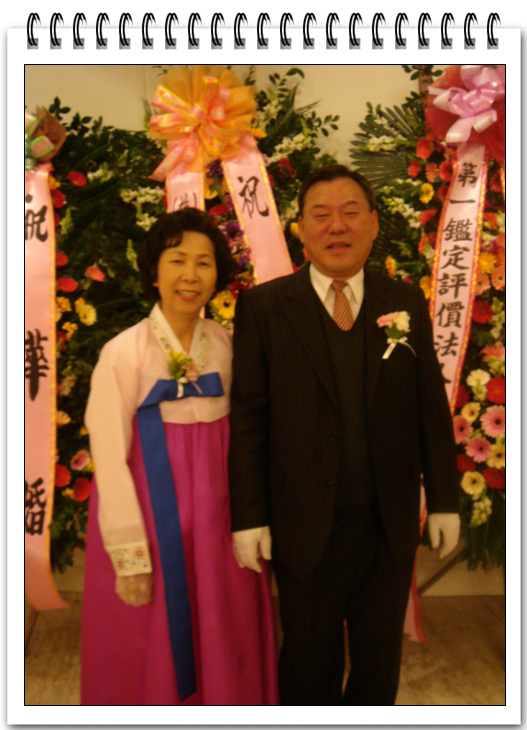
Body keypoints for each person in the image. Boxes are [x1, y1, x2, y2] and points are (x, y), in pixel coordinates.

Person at [228, 164, 460, 706]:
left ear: (374, 224)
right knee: (309, 661)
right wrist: (249, 516)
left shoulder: (404, 301)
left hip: (387, 522)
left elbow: (430, 409)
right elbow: (249, 419)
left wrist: (445, 500)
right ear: (300, 231)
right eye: (322, 215)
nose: (337, 226)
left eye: (351, 212)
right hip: (303, 522)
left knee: (379, 663)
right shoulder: (264, 307)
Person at [81, 208, 279, 705]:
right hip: (151, 519)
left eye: (203, 263)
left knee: (225, 624)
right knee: (153, 640)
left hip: (220, 520)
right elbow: (109, 459)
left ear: (218, 276)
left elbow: (250, 437)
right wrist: (129, 553)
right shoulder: (122, 353)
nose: (190, 275)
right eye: (177, 261)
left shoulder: (229, 347)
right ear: (154, 271)